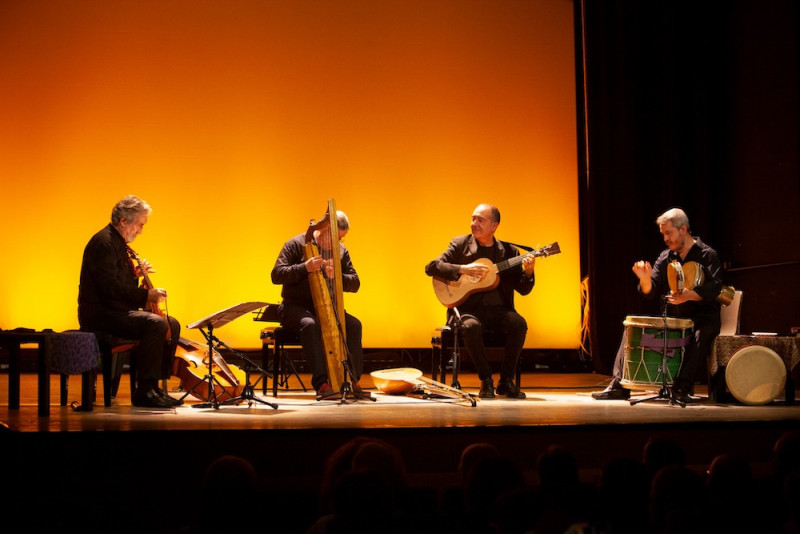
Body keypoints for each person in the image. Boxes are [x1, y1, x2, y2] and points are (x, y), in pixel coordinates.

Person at [592, 207, 723, 405]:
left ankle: (681, 389)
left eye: (668, 233)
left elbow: (715, 287)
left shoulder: (707, 254)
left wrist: (689, 296)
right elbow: (650, 290)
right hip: (674, 317)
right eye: (663, 234)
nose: (665, 239)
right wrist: (645, 279)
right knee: (631, 327)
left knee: (700, 335)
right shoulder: (666, 257)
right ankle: (619, 386)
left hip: (703, 317)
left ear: (683, 229)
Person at [78, 194, 182, 408]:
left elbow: (117, 283)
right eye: (140, 224)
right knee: (156, 324)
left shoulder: (119, 244)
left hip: (115, 310)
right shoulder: (104, 243)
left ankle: (154, 386)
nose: (141, 230)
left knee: (172, 324)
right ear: (124, 221)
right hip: (101, 314)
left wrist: (135, 276)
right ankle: (144, 391)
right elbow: (109, 289)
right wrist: (146, 296)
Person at [425, 203, 535, 399]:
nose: (474, 223)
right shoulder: (460, 244)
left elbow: (524, 289)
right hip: (466, 310)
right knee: (471, 327)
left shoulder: (509, 253)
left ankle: (506, 382)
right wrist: (462, 269)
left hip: (500, 311)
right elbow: (431, 267)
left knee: (518, 323)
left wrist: (528, 272)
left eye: (480, 220)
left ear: (494, 226)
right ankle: (486, 380)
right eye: (473, 219)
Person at [271, 210, 365, 400]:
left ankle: (352, 380)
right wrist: (305, 267)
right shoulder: (296, 244)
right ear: (324, 229)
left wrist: (337, 275)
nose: (337, 244)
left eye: (341, 239)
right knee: (310, 324)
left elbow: (355, 283)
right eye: (335, 238)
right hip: (295, 307)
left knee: (354, 325)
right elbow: (276, 275)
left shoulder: (340, 251)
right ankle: (322, 383)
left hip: (328, 308)